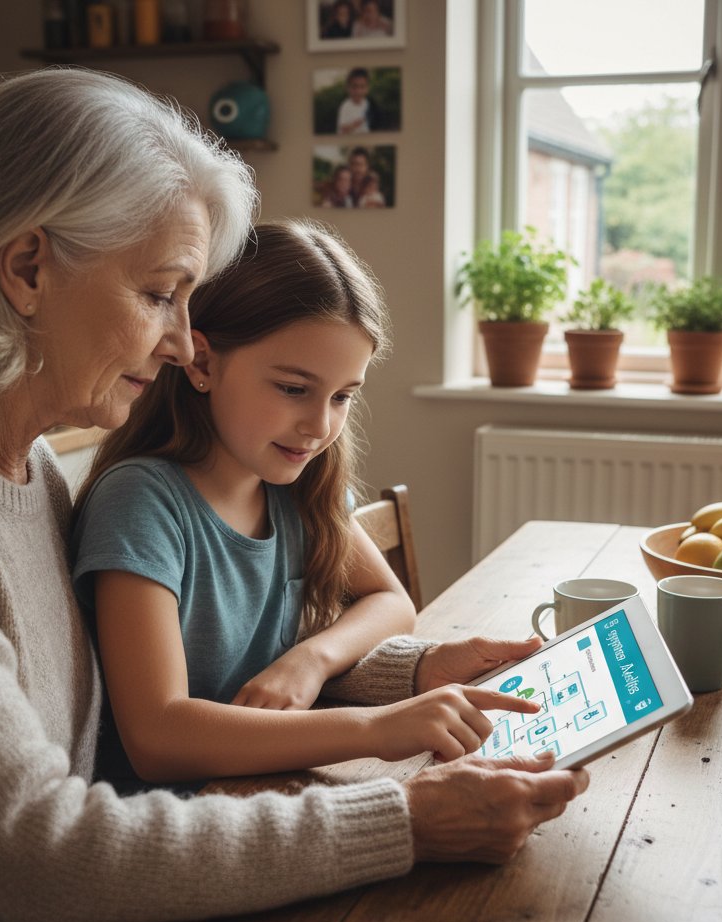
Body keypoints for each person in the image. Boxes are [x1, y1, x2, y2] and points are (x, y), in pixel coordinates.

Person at [0, 66, 588, 922]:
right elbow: (39, 856)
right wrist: (402, 820)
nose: (187, 344)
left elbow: (199, 656)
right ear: (25, 271)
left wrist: (409, 671)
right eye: (159, 294)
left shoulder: (20, 463)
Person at [70, 220, 527, 793]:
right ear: (203, 365)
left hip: (269, 790)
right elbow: (158, 738)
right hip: (173, 827)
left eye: (342, 397)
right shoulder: (142, 502)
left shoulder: (298, 488)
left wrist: (310, 660)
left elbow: (390, 601)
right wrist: (373, 729)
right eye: (293, 389)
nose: (320, 426)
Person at [337, 67, 376, 134]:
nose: (358, 91)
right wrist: (354, 125)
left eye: (362, 87)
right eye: (354, 87)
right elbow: (342, 129)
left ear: (367, 88)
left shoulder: (367, 103)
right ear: (348, 88)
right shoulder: (346, 106)